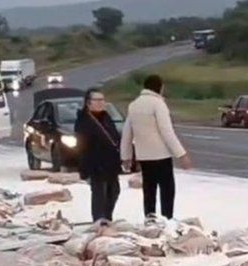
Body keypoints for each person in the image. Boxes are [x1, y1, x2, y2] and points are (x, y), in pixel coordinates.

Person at [121, 74, 192, 222]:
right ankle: (167, 219)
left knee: (149, 190)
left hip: (144, 156)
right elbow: (166, 131)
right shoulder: (158, 104)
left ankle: (150, 218)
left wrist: (126, 156)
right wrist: (181, 154)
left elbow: (127, 132)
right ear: (160, 87)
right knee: (167, 189)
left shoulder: (134, 105)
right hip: (161, 155)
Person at [75, 88, 122, 223]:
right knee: (99, 193)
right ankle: (99, 220)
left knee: (114, 191)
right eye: (97, 100)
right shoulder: (84, 120)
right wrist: (84, 168)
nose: (101, 103)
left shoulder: (106, 117)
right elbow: (82, 146)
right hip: (95, 163)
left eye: (103, 100)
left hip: (111, 162)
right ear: (89, 103)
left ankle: (107, 217)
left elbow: (114, 137)